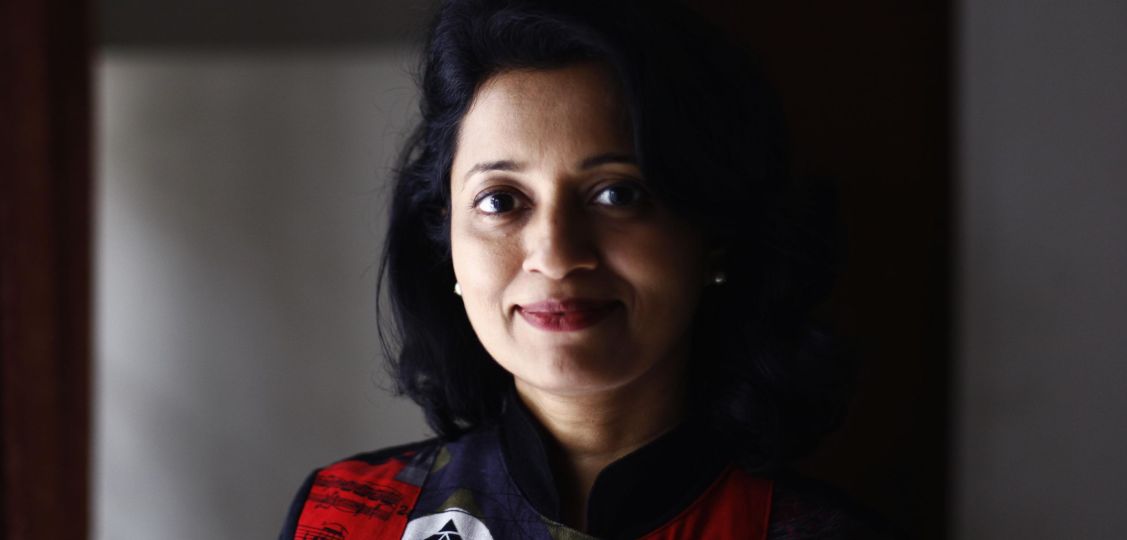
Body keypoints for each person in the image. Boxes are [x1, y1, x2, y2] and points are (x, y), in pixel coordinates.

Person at [281, 0, 880, 538]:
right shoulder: (343, 519)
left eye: (617, 194)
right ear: (447, 242)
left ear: (712, 235)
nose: (557, 255)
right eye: (501, 200)